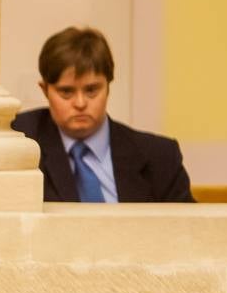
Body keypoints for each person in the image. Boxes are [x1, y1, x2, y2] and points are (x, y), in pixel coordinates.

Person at [11, 27, 195, 203]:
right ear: (45, 90)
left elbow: (190, 231)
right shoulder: (17, 143)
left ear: (108, 86)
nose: (80, 103)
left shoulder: (160, 157)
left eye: (91, 90)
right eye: (66, 92)